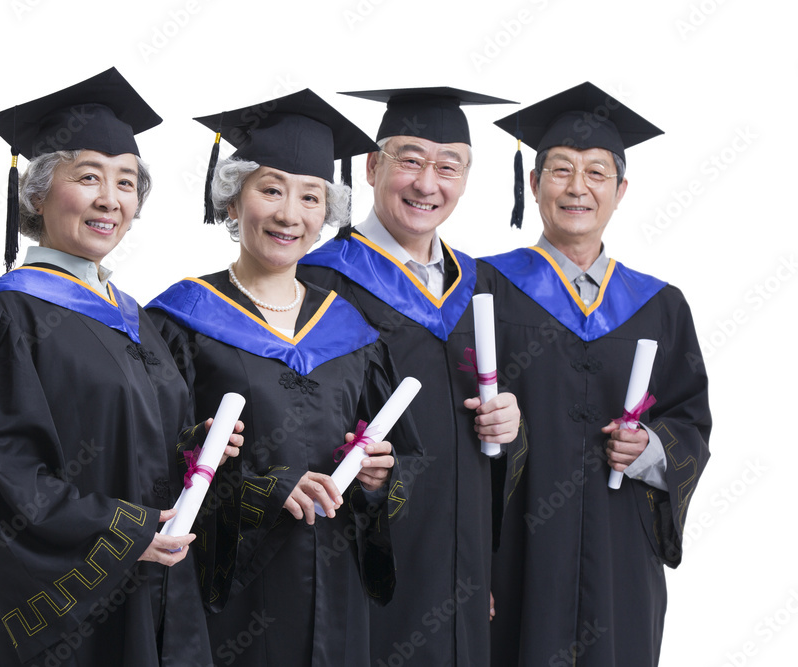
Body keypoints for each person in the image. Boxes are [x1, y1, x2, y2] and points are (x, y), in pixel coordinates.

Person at [0, 68, 241, 666]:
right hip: (77, 614)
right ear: (36, 193)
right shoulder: (7, 316)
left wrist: (201, 447)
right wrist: (128, 530)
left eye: (127, 182)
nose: (111, 198)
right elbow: (5, 476)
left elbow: (136, 443)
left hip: (164, 588)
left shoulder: (135, 317)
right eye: (89, 177)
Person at [147, 89, 425, 667]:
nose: (289, 214)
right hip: (229, 599)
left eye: (310, 197)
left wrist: (377, 479)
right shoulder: (179, 321)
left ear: (328, 214)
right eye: (270, 189)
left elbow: (410, 464)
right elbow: (149, 465)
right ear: (231, 200)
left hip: (340, 595)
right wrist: (262, 489)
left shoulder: (353, 332)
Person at [483, 82, 711, 666]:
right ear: (533, 185)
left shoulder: (660, 305)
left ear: (621, 191)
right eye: (560, 170)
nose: (576, 187)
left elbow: (690, 420)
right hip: (514, 552)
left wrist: (652, 449)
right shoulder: (481, 289)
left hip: (620, 553)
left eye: (596, 173)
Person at [299, 86, 523, 666]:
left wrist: (513, 422)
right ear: (372, 167)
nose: (428, 184)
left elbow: (507, 455)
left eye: (449, 166)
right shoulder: (319, 282)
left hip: (464, 565)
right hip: (365, 556)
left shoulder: (482, 286)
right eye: (411, 160)